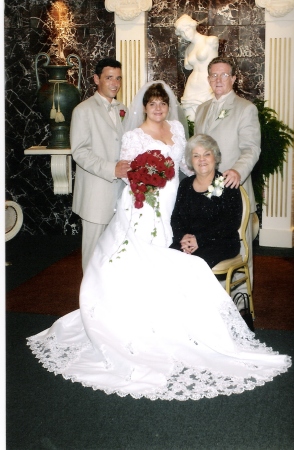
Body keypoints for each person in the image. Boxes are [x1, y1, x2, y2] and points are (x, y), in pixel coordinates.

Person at [27, 81, 290, 401]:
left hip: (170, 199)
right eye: (152, 104)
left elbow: (185, 165)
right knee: (135, 258)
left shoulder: (178, 129)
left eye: (162, 104)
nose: (158, 108)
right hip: (143, 201)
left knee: (169, 253)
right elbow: (126, 170)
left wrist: (197, 175)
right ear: (144, 106)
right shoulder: (133, 135)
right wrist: (142, 181)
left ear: (168, 106)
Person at [194, 56, 261, 289]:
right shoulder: (202, 109)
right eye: (214, 75)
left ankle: (242, 299)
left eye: (224, 75)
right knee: (210, 247)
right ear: (208, 79)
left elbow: (251, 148)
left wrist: (237, 171)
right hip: (206, 193)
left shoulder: (245, 109)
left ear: (233, 78)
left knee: (240, 247)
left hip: (234, 189)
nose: (218, 79)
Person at [70, 58, 130, 272]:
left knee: (116, 255)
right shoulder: (82, 110)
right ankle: (89, 303)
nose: (115, 83)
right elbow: (80, 152)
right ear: (96, 79)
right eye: (109, 78)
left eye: (118, 78)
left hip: (121, 196)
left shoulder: (125, 110)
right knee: (93, 257)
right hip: (95, 197)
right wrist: (111, 168)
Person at [170, 134, 242, 268]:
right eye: (196, 155)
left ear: (215, 157)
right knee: (168, 259)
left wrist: (199, 239)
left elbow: (231, 223)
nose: (201, 159)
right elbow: (176, 218)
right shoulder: (185, 185)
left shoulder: (227, 183)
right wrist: (183, 238)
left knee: (194, 264)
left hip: (220, 242)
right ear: (190, 160)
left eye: (207, 154)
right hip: (190, 241)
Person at [175, 14, 219, 122]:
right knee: (189, 119)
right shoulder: (188, 49)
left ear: (193, 26)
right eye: (182, 33)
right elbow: (188, 67)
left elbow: (217, 66)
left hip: (207, 85)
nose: (185, 34)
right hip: (191, 87)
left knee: (207, 120)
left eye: (187, 29)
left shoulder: (210, 41)